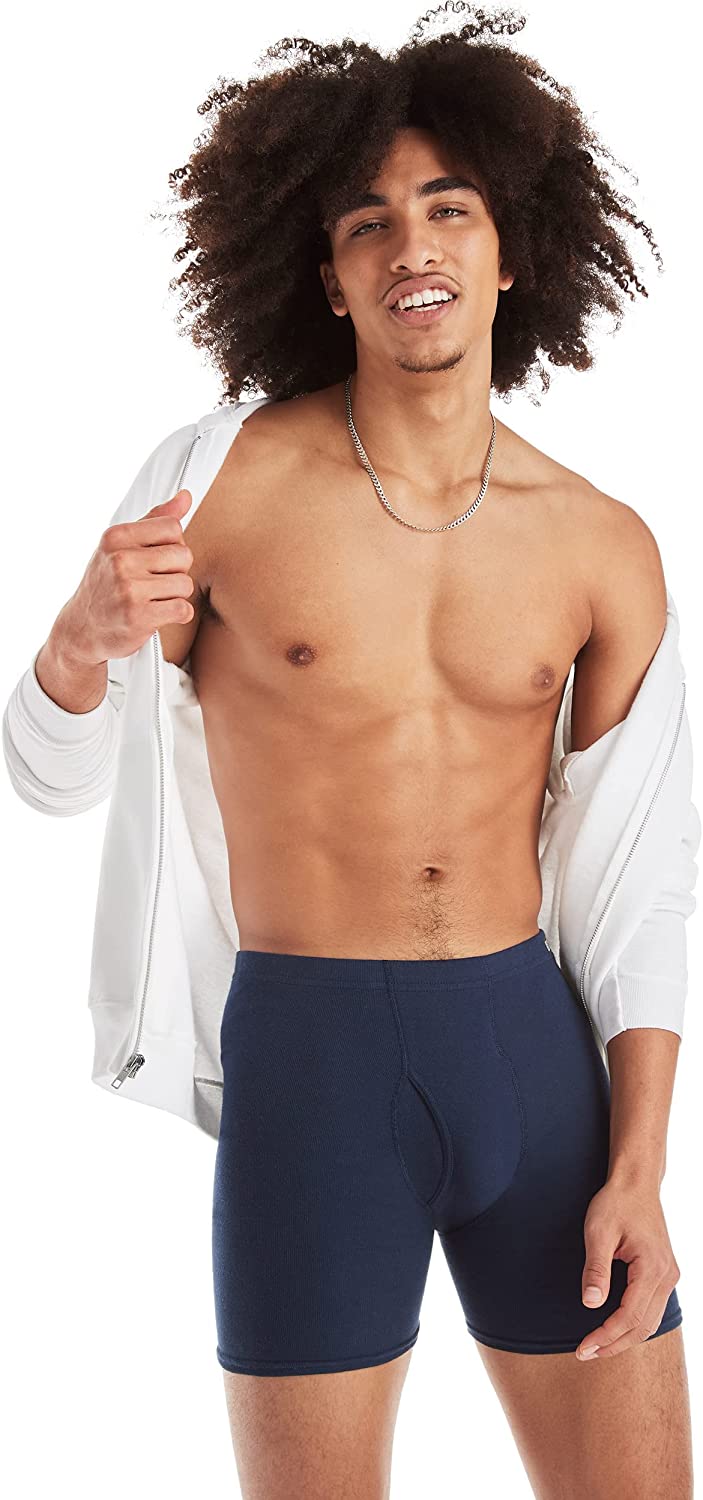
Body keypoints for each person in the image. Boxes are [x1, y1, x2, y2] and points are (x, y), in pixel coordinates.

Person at [5, 7, 696, 1497]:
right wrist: (74, 645)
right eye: (368, 221)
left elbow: (646, 887)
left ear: (512, 253)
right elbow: (49, 780)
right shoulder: (217, 488)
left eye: (450, 208)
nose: (411, 247)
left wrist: (642, 1163)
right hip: (312, 1074)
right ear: (327, 274)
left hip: (535, 1069)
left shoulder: (604, 544)